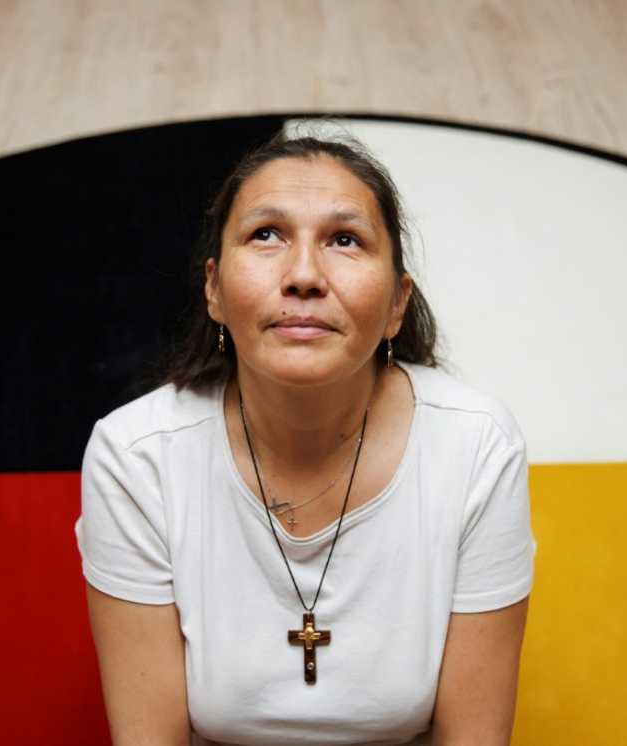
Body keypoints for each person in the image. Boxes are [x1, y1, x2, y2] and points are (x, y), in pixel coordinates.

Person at [74, 130, 535, 745]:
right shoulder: (135, 457)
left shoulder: (476, 446)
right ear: (213, 289)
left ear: (398, 303)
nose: (304, 275)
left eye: (344, 240)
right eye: (266, 234)